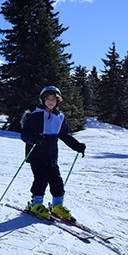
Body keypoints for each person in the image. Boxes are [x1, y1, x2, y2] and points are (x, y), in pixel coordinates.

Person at [20, 86, 86, 220]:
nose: (50, 102)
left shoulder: (60, 117)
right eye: (47, 99)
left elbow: (64, 135)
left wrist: (77, 146)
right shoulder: (35, 114)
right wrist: (33, 138)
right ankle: (36, 204)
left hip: (51, 155)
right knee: (41, 179)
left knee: (57, 180)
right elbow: (24, 135)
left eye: (53, 99)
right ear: (42, 100)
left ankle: (57, 206)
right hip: (36, 153)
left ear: (58, 101)